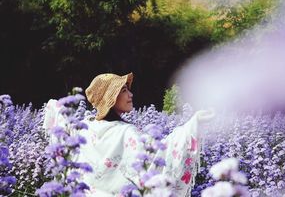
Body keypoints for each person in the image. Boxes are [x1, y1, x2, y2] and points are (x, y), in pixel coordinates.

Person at [44, 73, 214, 196]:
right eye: (124, 90)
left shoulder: (84, 128)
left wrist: (57, 109)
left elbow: (65, 135)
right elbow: (160, 155)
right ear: (109, 99)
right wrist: (193, 125)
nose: (130, 94)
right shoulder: (127, 133)